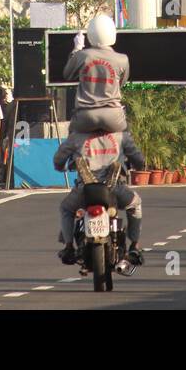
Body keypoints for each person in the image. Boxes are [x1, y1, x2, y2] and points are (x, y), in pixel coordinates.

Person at [53, 128, 146, 267]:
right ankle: (134, 245)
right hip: (114, 189)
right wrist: (138, 164)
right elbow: (138, 159)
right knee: (135, 204)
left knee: (66, 209)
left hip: (84, 190)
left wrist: (61, 166)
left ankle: (68, 246)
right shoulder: (121, 135)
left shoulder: (77, 136)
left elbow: (59, 160)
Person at [63, 14, 129, 133]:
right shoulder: (123, 59)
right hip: (113, 116)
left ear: (90, 35)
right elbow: (121, 83)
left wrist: (77, 49)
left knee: (69, 146)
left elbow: (67, 74)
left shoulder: (83, 55)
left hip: (86, 115)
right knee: (127, 143)